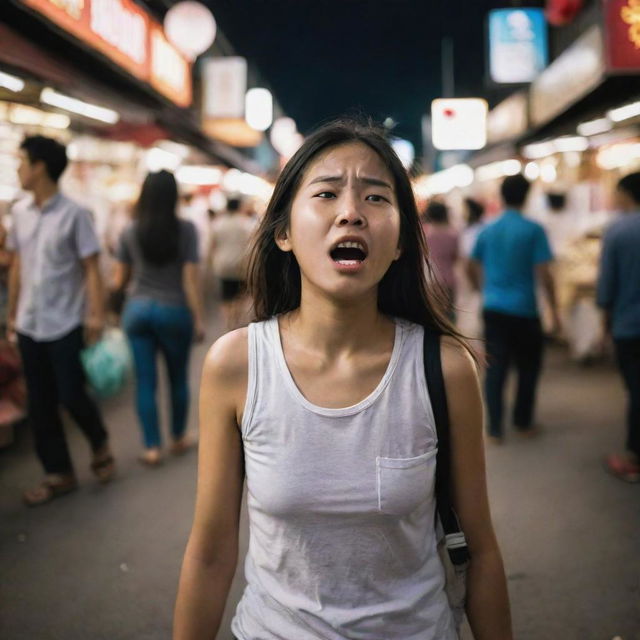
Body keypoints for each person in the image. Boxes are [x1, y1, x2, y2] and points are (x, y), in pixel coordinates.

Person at [174, 120, 513, 639]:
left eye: (376, 198)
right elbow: (211, 552)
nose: (351, 212)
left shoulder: (443, 368)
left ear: (400, 240)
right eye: (327, 193)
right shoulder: (236, 366)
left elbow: (482, 551)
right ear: (283, 232)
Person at [7, 135, 115, 506]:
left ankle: (99, 440)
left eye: (22, 160)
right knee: (38, 403)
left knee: (71, 393)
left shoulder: (75, 214)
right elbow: (18, 264)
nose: (18, 167)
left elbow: (91, 268)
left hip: (65, 321)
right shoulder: (19, 213)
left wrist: (96, 315)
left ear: (39, 167)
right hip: (28, 323)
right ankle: (59, 473)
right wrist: (12, 317)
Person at [111, 171, 204, 467]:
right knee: (177, 379)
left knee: (145, 382)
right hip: (173, 310)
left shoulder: (129, 231)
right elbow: (190, 279)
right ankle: (177, 438)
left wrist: (112, 311)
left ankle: (151, 447)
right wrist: (198, 317)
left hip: (137, 311)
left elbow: (119, 280)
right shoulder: (186, 230)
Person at [468, 174, 560, 444]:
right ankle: (523, 423)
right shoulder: (533, 230)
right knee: (528, 368)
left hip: (494, 308)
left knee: (495, 368)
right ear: (527, 195)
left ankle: (495, 429)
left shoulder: (488, 229)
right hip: (525, 310)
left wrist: (481, 289)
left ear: (502, 196)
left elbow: (470, 264)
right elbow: (544, 273)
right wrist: (554, 311)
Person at [597, 172, 640, 482]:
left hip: (629, 324)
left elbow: (607, 285)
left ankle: (633, 457)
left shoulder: (618, 230)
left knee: (636, 390)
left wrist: (604, 323)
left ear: (627, 194)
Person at [210, 196, 255, 330]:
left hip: (222, 264)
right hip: (240, 264)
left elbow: (213, 244)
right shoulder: (245, 223)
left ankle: (227, 322)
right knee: (239, 295)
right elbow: (251, 244)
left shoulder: (218, 223)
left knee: (225, 296)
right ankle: (235, 319)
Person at [421, 200, 459, 313]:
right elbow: (455, 258)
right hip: (449, 279)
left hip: (431, 279)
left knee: (435, 315)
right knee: (450, 313)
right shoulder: (453, 234)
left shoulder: (426, 234)